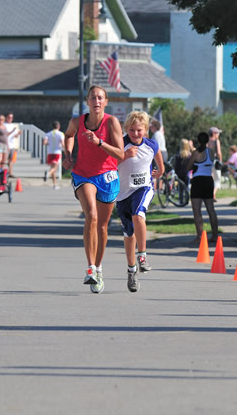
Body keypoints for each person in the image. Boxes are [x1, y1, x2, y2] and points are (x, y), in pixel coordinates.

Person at [63, 85, 124, 294]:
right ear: (87, 101)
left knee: (103, 227)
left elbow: (120, 154)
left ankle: (98, 268)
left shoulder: (112, 123)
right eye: (92, 98)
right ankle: (90, 268)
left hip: (107, 176)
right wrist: (68, 154)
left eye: (100, 98)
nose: (96, 101)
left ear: (105, 102)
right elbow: (69, 135)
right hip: (83, 174)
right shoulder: (77, 122)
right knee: (91, 215)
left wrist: (99, 143)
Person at [117, 111, 164, 292]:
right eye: (132, 130)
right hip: (123, 194)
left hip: (143, 188)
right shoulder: (121, 143)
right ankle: (131, 270)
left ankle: (142, 256)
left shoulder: (151, 144)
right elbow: (110, 163)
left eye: (139, 130)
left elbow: (160, 163)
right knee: (129, 235)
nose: (135, 134)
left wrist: (159, 171)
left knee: (139, 215)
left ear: (145, 130)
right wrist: (125, 155)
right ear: (126, 130)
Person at [187, 132, 219, 244]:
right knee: (211, 210)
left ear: (198, 140)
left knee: (197, 211)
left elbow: (188, 167)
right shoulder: (211, 152)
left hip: (197, 181)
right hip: (208, 180)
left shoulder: (195, 153)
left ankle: (199, 236)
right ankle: (215, 235)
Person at [43, 121, 64, 189]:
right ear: (58, 126)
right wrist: (65, 149)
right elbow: (62, 143)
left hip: (50, 152)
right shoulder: (60, 134)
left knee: (52, 168)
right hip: (57, 152)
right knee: (55, 168)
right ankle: (48, 174)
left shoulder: (48, 134)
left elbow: (44, 142)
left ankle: (54, 185)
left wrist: (49, 143)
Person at [4, 112, 22, 177]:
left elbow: (15, 136)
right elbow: (5, 135)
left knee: (11, 159)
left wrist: (18, 134)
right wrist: (12, 131)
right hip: (5, 144)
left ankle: (10, 172)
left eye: (11, 117)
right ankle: (2, 172)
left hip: (12, 145)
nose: (10, 118)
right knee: (4, 159)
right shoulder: (4, 125)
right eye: (9, 117)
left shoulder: (12, 125)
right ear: (6, 117)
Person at [208, 126, 223, 200]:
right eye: (217, 133)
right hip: (215, 160)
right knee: (217, 179)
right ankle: (213, 194)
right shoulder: (216, 141)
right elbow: (219, 152)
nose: (218, 135)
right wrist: (221, 161)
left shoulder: (207, 141)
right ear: (214, 133)